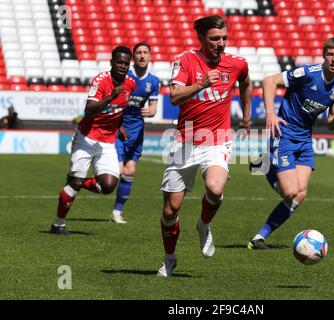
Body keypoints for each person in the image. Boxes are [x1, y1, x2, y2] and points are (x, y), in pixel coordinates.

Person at [157, 15, 252, 277]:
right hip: (185, 139)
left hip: (217, 139)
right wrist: (201, 84)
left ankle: (203, 225)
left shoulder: (236, 63)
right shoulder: (186, 60)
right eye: (214, 39)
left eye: (224, 38)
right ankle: (169, 258)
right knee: (170, 210)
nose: (220, 44)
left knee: (215, 187)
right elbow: (175, 97)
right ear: (201, 39)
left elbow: (245, 82)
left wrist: (246, 116)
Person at [247, 37, 334, 249]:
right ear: (324, 55)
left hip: (305, 138)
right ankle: (264, 165)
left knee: (300, 193)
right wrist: (270, 113)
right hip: (284, 133)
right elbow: (269, 81)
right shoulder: (308, 73)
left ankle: (259, 237)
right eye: (330, 54)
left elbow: (331, 124)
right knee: (289, 191)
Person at [50, 46, 136, 235]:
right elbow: (88, 110)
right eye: (119, 62)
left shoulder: (131, 84)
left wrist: (119, 126)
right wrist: (111, 96)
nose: (122, 66)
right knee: (75, 183)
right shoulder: (101, 81)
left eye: (126, 63)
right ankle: (58, 224)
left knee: (108, 186)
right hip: (86, 138)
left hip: (107, 142)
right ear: (111, 62)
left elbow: (119, 109)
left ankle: (76, 181)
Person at [110, 42, 160, 224]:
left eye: (145, 52)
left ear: (150, 56)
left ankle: (117, 212)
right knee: (117, 171)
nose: (141, 56)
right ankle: (85, 182)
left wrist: (152, 111)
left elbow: (154, 107)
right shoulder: (125, 76)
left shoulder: (153, 81)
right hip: (119, 128)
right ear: (134, 57)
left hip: (137, 130)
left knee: (129, 171)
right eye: (138, 52)